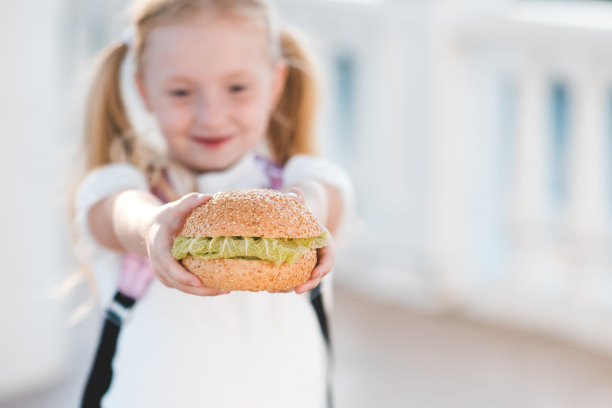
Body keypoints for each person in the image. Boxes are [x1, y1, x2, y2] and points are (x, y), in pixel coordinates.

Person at [72, 0, 355, 407]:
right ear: (143, 91)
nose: (211, 114)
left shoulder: (304, 180)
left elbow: (322, 197)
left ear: (275, 84)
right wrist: (153, 227)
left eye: (237, 88)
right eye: (181, 91)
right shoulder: (126, 189)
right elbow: (118, 214)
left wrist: (301, 213)